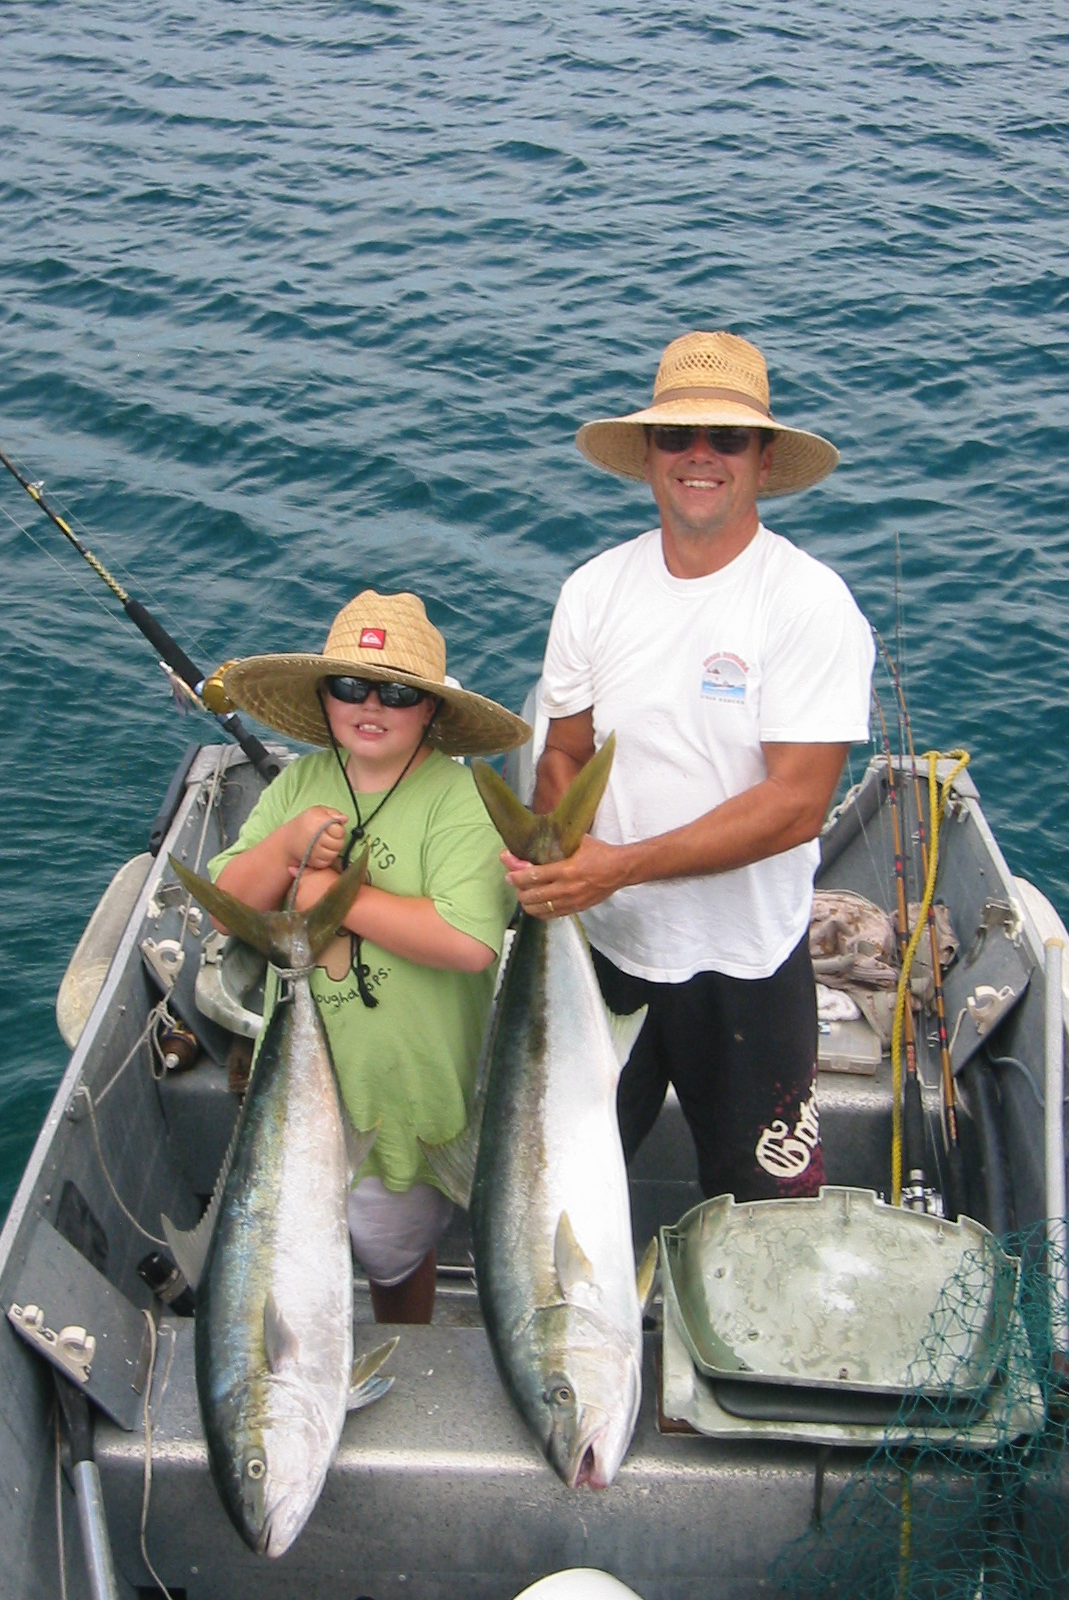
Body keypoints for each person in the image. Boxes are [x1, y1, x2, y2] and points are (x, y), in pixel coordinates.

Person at [505, 329, 874, 1203]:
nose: (699, 456)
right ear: (648, 454)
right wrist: (560, 852)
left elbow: (794, 806)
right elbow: (563, 752)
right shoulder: (593, 591)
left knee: (770, 1218)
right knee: (553, 1196)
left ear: (762, 457)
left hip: (746, 969)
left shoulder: (808, 603)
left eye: (727, 438)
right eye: (677, 436)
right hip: (606, 956)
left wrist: (618, 867)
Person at [208, 590, 529, 1322]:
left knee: (393, 1253)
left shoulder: (459, 799)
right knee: (290, 1244)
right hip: (296, 1095)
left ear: (433, 711)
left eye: (398, 691)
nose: (371, 704)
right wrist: (287, 846)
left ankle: (406, 1351)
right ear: (324, 698)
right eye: (350, 686)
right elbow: (227, 897)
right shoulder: (300, 784)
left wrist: (331, 895)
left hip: (406, 1101)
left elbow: (470, 943)